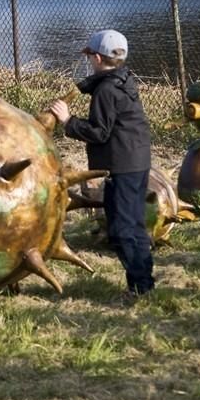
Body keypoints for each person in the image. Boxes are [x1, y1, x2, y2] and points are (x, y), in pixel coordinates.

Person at [49, 29, 155, 299]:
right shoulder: (123, 78)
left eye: (90, 57)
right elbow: (101, 84)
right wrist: (82, 87)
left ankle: (140, 286)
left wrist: (68, 121)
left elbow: (99, 132)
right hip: (137, 160)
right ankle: (144, 281)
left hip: (122, 165)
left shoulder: (106, 91)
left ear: (96, 57)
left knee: (122, 229)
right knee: (133, 222)